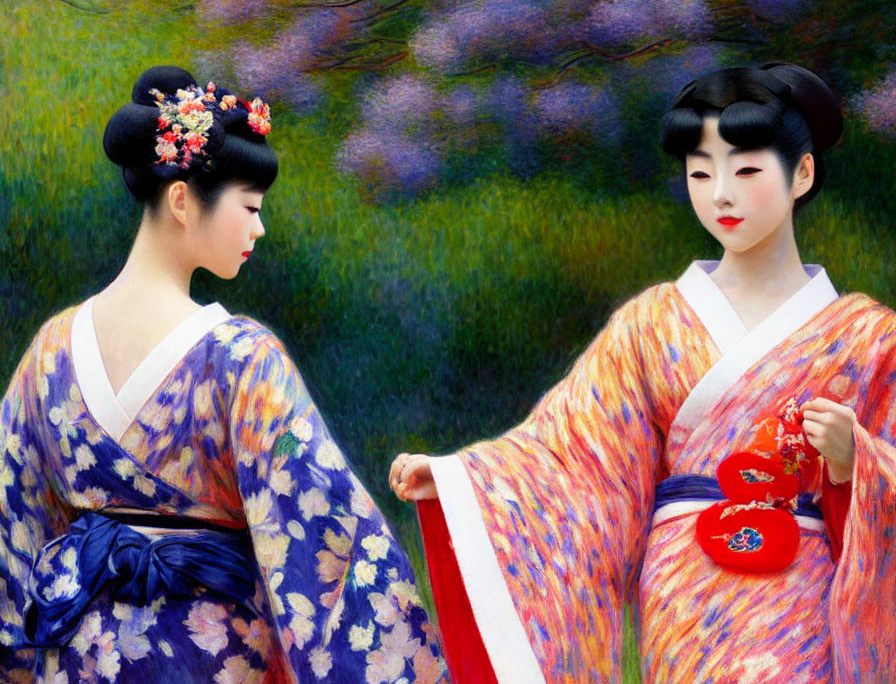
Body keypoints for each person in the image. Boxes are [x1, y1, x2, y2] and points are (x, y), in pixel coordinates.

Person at [389, 63, 896, 683]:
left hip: (800, 593)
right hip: (682, 599)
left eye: (745, 170)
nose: (721, 195)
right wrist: (461, 482)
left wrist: (855, 461)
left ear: (803, 173)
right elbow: (573, 458)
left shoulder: (868, 335)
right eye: (701, 173)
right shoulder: (652, 321)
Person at [0, 65, 446, 684]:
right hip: (213, 658)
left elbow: (11, 528)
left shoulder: (49, 352)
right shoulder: (241, 358)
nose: (259, 228)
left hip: (79, 660)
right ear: (182, 200)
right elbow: (325, 532)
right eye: (250, 207)